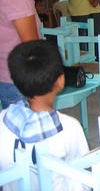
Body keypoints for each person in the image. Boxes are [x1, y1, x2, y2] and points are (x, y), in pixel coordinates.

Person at [0, 40, 89, 190]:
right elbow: (85, 178)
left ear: (15, 81)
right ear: (61, 81)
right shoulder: (69, 128)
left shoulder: (3, 119)